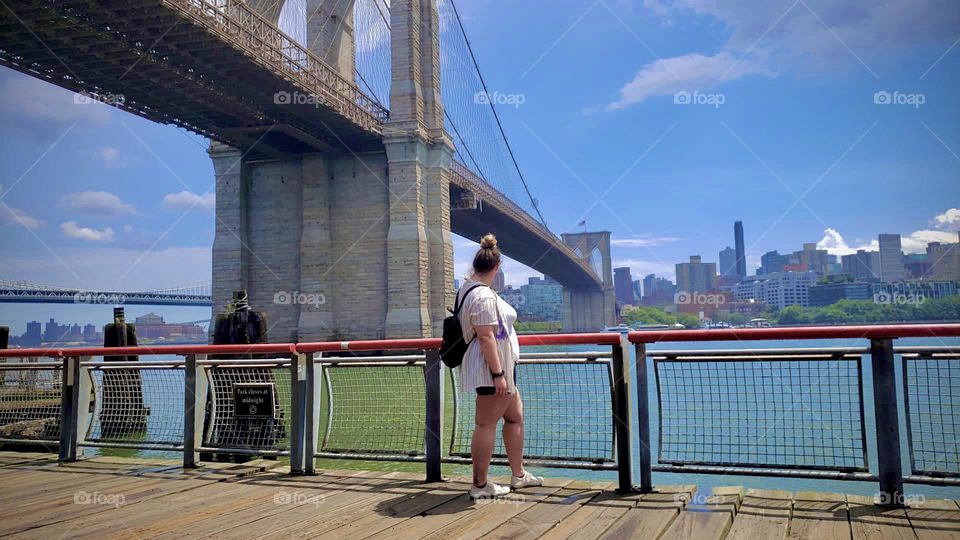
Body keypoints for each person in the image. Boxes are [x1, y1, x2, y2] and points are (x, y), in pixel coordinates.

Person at [456, 233, 544, 500]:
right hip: (491, 369)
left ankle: (518, 476)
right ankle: (480, 486)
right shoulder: (482, 295)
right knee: (485, 424)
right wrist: (498, 375)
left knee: (515, 416)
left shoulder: (470, 289)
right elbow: (485, 336)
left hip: (503, 367)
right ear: (497, 266)